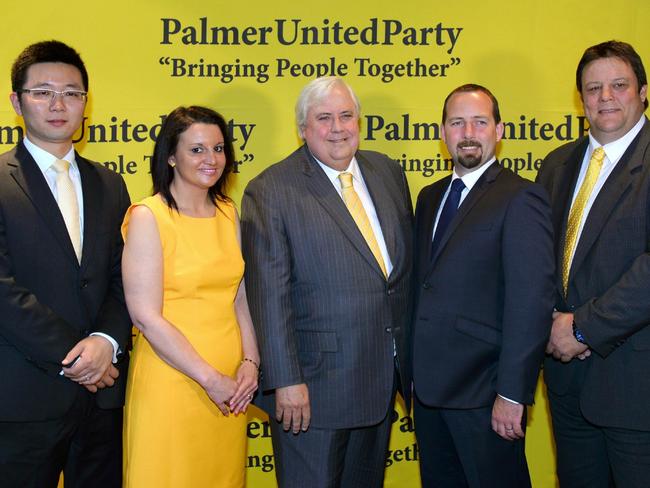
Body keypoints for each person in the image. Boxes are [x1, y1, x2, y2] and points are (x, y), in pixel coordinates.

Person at [241, 76, 413, 488]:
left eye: (346, 116)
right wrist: (285, 380)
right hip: (313, 390)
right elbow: (269, 296)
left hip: (381, 380)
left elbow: (397, 279)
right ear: (302, 128)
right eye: (324, 118)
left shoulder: (387, 171)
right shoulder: (271, 190)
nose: (337, 127)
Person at [0, 41, 132, 487]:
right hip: (22, 398)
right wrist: (76, 356)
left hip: (103, 401)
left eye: (72, 93)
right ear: (17, 102)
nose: (59, 105)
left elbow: (122, 279)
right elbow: (3, 289)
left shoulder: (111, 185)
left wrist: (106, 342)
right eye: (43, 92)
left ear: (86, 103)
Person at [412, 84, 555, 488]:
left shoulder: (522, 197)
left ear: (499, 130)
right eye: (457, 123)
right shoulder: (429, 198)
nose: (468, 132)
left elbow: (531, 303)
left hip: (486, 395)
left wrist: (513, 394)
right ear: (442, 133)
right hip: (429, 395)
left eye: (479, 121)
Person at [121, 105, 259, 487]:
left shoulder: (230, 212)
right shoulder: (149, 216)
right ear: (170, 156)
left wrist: (250, 361)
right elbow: (146, 316)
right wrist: (209, 379)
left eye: (218, 149)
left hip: (232, 389)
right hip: (174, 382)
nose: (211, 159)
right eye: (196, 150)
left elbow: (240, 296)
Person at [538, 40, 650, 488]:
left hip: (634, 384)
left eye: (618, 85)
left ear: (643, 92)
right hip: (565, 384)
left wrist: (582, 328)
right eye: (593, 88)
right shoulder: (556, 164)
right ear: (580, 98)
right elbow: (536, 259)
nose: (605, 97)